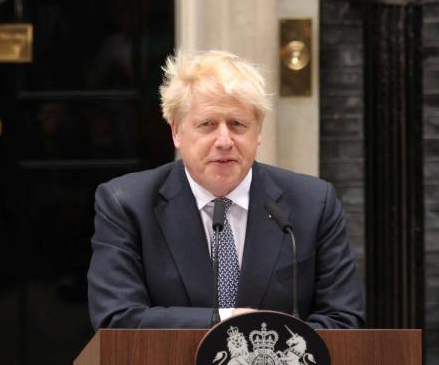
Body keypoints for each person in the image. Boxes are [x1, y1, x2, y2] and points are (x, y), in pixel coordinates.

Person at [87, 50, 364, 329]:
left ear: (258, 133)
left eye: (237, 124)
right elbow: (117, 319)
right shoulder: (127, 205)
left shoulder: (314, 203)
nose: (224, 141)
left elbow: (343, 320)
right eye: (207, 125)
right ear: (176, 132)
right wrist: (225, 321)